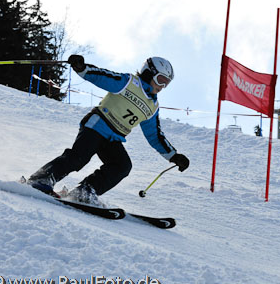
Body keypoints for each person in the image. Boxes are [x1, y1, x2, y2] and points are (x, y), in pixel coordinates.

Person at [27, 55, 190, 204]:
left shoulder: (152, 106)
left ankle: (84, 192)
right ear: (148, 73)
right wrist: (83, 68)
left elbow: (154, 135)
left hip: (113, 139)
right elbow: (103, 77)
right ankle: (41, 179)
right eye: (160, 80)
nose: (162, 86)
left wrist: (173, 156)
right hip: (97, 125)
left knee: (122, 166)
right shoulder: (129, 82)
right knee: (79, 158)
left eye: (166, 83)